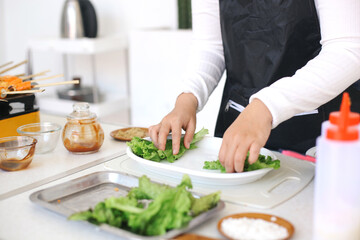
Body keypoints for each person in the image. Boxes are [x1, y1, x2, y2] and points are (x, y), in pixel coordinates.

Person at [149, 0, 360, 173]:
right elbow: (211, 46)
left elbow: (348, 50)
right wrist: (187, 99)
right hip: (236, 125)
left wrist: (265, 108)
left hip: (320, 139)